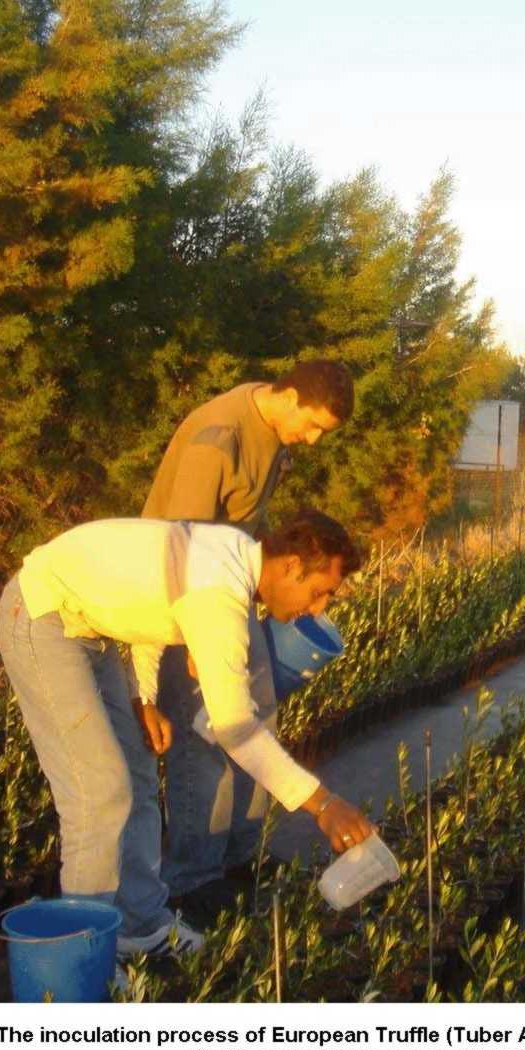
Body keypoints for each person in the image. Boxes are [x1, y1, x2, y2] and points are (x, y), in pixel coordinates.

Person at [0, 509, 374, 959]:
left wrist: (144, 696)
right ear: (291, 566)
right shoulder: (219, 594)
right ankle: (85, 956)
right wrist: (323, 804)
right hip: (41, 615)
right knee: (98, 792)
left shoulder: (233, 555)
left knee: (138, 774)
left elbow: (147, 601)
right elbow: (235, 728)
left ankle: (140, 925)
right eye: (318, 593)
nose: (318, 609)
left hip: (90, 629)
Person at [140, 359, 355, 907]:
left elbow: (247, 528)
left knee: (259, 713)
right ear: (290, 397)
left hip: (230, 589)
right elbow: (178, 545)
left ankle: (239, 858)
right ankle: (193, 879)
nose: (312, 440)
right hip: (185, 599)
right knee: (208, 732)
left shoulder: (273, 435)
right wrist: (196, 640)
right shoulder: (219, 438)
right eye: (313, 426)